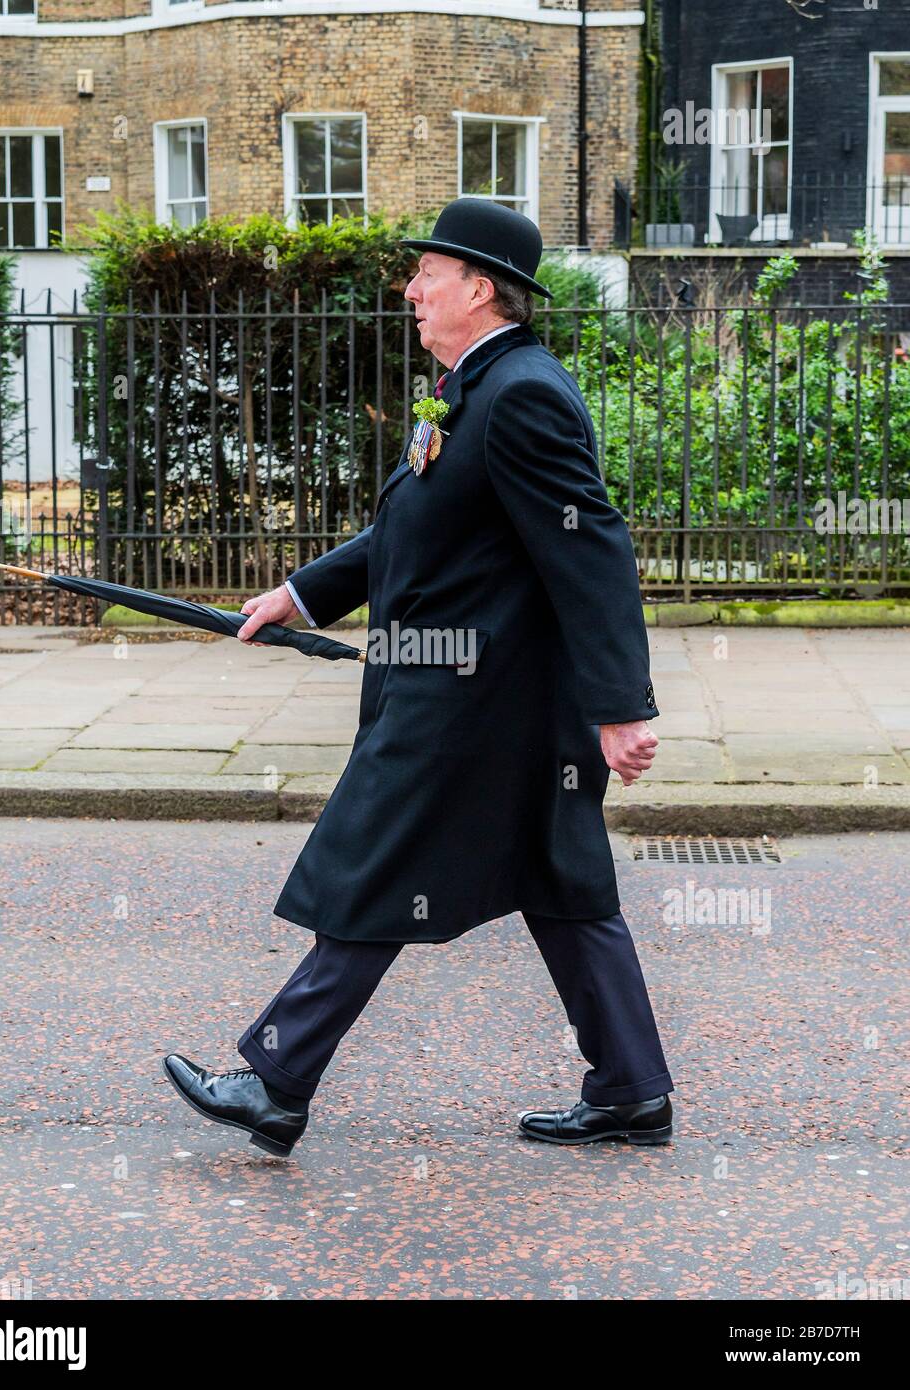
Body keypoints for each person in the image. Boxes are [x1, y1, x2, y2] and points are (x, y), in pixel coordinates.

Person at [163, 198, 674, 1158]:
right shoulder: (472, 390)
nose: (410, 289)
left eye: (426, 273)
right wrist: (299, 594)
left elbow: (592, 552)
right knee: (565, 888)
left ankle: (274, 1080)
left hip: (473, 707)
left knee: (372, 864)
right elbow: (415, 529)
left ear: (479, 289)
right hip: (482, 700)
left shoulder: (520, 393)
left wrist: (621, 709)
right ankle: (631, 1091)